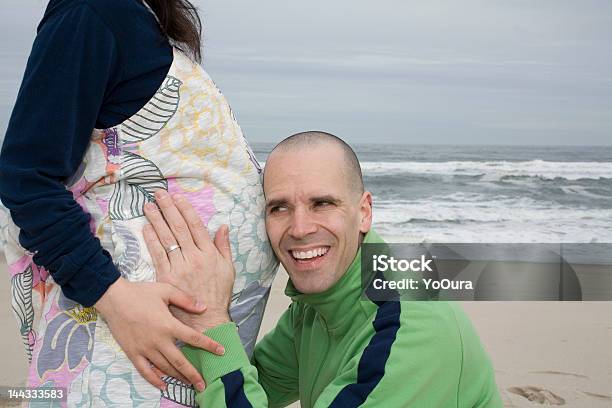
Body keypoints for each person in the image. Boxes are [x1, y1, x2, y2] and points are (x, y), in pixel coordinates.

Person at [0, 0, 277, 405]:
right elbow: (26, 176)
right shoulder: (91, 11)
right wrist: (113, 297)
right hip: (128, 342)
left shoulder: (141, 22)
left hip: (173, 349)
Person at [143, 131, 503, 407]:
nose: (299, 228)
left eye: (322, 203)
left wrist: (210, 322)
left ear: (363, 212)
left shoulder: (412, 331)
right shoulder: (322, 303)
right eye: (279, 208)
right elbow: (256, 384)